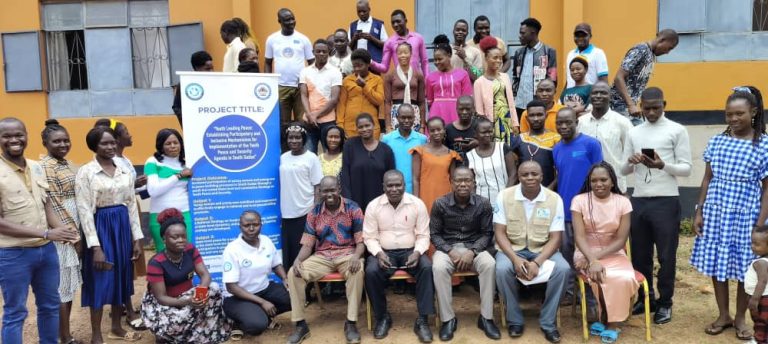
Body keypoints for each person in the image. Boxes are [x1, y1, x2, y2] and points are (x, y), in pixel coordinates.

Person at [690, 86, 768, 341]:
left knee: (747, 267)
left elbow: (767, 189)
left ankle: (740, 317)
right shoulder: (717, 141)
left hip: (746, 214)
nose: (733, 119)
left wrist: (760, 224)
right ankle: (723, 314)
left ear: (753, 112)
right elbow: (706, 179)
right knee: (717, 262)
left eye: (739, 114)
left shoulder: (764, 145)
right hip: (716, 211)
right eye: (729, 114)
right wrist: (699, 211)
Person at [0, 117, 79, 344]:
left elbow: (46, 206)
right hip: (13, 254)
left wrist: (62, 230)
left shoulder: (36, 167)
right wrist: (45, 234)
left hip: (46, 252)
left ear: (26, 136)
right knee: (15, 313)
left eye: (19, 135)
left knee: (50, 306)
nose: (14, 140)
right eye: (7, 136)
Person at [621, 87, 692, 325]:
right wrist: (631, 161)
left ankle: (665, 303)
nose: (651, 112)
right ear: (640, 106)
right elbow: (622, 169)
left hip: (666, 200)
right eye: (646, 107)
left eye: (656, 107)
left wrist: (663, 165)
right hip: (639, 199)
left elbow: (687, 168)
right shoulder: (634, 132)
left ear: (664, 105)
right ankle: (645, 298)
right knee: (640, 256)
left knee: (666, 256)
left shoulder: (676, 130)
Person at [76, 126, 145, 343]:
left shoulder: (124, 169)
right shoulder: (86, 172)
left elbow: (131, 205)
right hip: (101, 227)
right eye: (104, 143)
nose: (110, 147)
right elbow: (85, 210)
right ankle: (96, 334)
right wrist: (95, 247)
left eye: (112, 143)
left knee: (121, 277)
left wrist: (137, 238)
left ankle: (116, 327)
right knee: (99, 279)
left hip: (123, 226)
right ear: (94, 146)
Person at [494, 160, 569, 343]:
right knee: (502, 269)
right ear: (518, 177)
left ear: (542, 176)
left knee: (563, 269)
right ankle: (515, 319)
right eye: (524, 175)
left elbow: (556, 238)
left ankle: (548, 322)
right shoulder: (504, 196)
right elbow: (499, 233)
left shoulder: (554, 199)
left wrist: (537, 262)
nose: (530, 178)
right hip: (513, 249)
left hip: (542, 250)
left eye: (534, 174)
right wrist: (515, 259)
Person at [286, 176, 365, 344]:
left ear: (339, 189)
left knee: (357, 270)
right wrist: (297, 260)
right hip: (322, 257)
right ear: (319, 192)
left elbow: (360, 241)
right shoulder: (314, 212)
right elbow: (308, 244)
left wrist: (357, 257)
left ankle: (351, 323)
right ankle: (300, 325)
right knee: (294, 273)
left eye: (332, 190)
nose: (329, 194)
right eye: (325, 191)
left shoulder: (353, 208)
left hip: (347, 254)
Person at [363, 170, 435, 342]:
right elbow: (369, 237)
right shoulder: (373, 206)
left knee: (426, 268)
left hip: (411, 251)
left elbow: (424, 235)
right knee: (371, 272)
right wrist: (379, 253)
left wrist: (418, 252)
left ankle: (422, 320)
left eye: (398, 185)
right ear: (383, 187)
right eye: (390, 185)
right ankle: (382, 317)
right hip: (383, 252)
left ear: (404, 185)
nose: (394, 189)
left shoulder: (417, 204)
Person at [141, 208, 231, 343]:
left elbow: (205, 275)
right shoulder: (156, 262)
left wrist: (199, 294)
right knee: (176, 322)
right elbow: (161, 298)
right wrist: (189, 301)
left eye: (183, 236)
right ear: (164, 239)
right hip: (166, 304)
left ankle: (199, 332)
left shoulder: (190, 250)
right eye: (174, 237)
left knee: (214, 289)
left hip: (188, 296)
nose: (180, 240)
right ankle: (166, 335)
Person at [430, 166, 500, 341]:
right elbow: (434, 234)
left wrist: (473, 251)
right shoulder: (440, 203)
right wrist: (450, 251)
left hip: (474, 247)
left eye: (467, 180)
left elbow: (487, 234)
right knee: (438, 267)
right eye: (458, 180)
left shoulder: (483, 204)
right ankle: (448, 319)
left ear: (474, 183)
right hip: (448, 248)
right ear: (451, 183)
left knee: (489, 264)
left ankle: (486, 318)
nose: (463, 184)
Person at [571, 162, 639, 343]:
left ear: (612, 181)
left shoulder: (623, 202)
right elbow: (579, 237)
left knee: (623, 277)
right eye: (594, 180)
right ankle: (604, 318)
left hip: (613, 251)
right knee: (600, 274)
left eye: (603, 180)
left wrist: (596, 259)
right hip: (585, 251)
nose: (598, 184)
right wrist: (591, 259)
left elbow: (620, 240)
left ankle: (612, 323)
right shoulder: (579, 201)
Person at [39, 120, 82, 344]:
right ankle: (64, 337)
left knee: (69, 285)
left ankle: (64, 334)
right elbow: (54, 204)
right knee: (63, 286)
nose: (63, 144)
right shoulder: (45, 166)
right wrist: (72, 236)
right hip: (63, 232)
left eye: (66, 140)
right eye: (57, 141)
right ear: (45, 143)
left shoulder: (64, 163)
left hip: (72, 225)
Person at [223, 210, 291, 338]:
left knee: (294, 298)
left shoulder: (266, 241)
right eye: (246, 225)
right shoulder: (232, 250)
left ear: (261, 224)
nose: (251, 228)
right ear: (240, 226)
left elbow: (276, 264)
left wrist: (285, 278)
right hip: (238, 297)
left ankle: (258, 312)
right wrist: (262, 302)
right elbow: (231, 287)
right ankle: (239, 321)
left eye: (255, 224)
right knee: (257, 325)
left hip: (264, 289)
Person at [552, 107, 603, 269]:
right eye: (559, 123)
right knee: (566, 250)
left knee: (588, 252)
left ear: (576, 122)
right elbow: (561, 175)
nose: (563, 126)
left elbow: (600, 175)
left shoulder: (591, 144)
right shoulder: (557, 148)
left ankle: (589, 292)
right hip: (566, 209)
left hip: (589, 209)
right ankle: (570, 292)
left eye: (568, 122)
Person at [265, 8, 315, 151]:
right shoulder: (272, 39)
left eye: (292, 18)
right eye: (287, 20)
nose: (291, 22)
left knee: (302, 122)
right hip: (280, 87)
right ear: (279, 21)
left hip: (300, 87)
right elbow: (268, 62)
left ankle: (303, 152)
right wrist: (270, 83)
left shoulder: (303, 39)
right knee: (283, 123)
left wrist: (309, 84)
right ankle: (285, 153)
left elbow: (311, 62)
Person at [610, 29, 678, 125]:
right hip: (619, 106)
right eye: (669, 48)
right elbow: (618, 78)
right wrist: (631, 105)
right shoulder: (640, 50)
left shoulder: (651, 55)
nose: (667, 52)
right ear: (662, 40)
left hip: (630, 107)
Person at [280, 123, 323, 271]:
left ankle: (308, 289)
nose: (294, 141)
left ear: (303, 139)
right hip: (287, 212)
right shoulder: (283, 158)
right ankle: (291, 287)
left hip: (305, 211)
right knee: (289, 250)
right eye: (290, 138)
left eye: (297, 137)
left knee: (304, 251)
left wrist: (315, 211)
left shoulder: (311, 158)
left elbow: (318, 186)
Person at [578, 81, 633, 193]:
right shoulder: (580, 122)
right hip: (586, 186)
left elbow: (632, 151)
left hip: (615, 186)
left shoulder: (622, 123)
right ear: (590, 96)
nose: (598, 96)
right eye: (595, 93)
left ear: (610, 96)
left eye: (603, 93)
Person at [145, 128, 193, 251]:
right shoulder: (153, 162)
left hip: (185, 214)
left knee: (187, 252)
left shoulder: (187, 163)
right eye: (168, 143)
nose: (172, 146)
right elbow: (153, 190)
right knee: (164, 255)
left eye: (175, 143)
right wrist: (179, 176)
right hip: (159, 216)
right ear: (161, 146)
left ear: (181, 144)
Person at [340, 113, 395, 212]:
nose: (364, 129)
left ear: (374, 125)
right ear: (356, 129)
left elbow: (391, 177)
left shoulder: (386, 150)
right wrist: (347, 201)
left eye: (367, 125)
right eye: (360, 127)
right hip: (355, 203)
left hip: (380, 204)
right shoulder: (350, 146)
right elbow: (345, 174)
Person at [473, 35, 519, 144]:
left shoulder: (505, 77)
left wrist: (515, 123)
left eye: (500, 58)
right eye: (495, 58)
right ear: (486, 58)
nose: (498, 61)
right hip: (490, 126)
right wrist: (486, 130)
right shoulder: (479, 82)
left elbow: (511, 103)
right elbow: (479, 112)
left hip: (507, 122)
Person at [299, 39, 342, 154]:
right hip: (308, 121)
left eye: (324, 51)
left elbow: (334, 99)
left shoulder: (335, 72)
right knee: (309, 154)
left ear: (329, 53)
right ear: (313, 52)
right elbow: (303, 95)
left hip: (328, 121)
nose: (321, 54)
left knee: (330, 155)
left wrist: (316, 115)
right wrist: (309, 115)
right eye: (318, 51)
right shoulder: (305, 71)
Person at [411, 117, 461, 213]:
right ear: (428, 132)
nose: (436, 133)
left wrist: (455, 201)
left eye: (439, 129)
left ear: (444, 130)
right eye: (432, 130)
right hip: (425, 195)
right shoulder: (419, 151)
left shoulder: (451, 154)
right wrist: (416, 201)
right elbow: (415, 179)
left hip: (446, 196)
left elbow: (453, 180)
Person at [512, 17, 558, 119]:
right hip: (519, 105)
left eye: (523, 33)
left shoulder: (548, 51)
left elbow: (553, 79)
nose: (520, 36)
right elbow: (515, 77)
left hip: (538, 106)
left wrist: (545, 99)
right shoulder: (518, 53)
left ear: (533, 33)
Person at [464, 117, 517, 203]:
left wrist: (505, 196)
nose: (488, 135)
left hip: (505, 200)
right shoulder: (470, 156)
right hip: (481, 202)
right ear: (475, 134)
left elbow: (513, 174)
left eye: (490, 131)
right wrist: (474, 201)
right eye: (484, 132)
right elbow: (471, 182)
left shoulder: (503, 147)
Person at [509, 99, 561, 187]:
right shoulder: (518, 139)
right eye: (532, 115)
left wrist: (550, 189)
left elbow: (561, 170)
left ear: (546, 115)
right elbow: (512, 170)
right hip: (523, 191)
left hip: (548, 191)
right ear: (526, 117)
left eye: (539, 115)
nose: (536, 119)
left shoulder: (557, 139)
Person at [426, 35, 473, 125]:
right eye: (435, 60)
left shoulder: (463, 74)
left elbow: (467, 99)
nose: (437, 62)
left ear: (449, 55)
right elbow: (430, 102)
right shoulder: (430, 77)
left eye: (440, 59)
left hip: (457, 113)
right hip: (436, 114)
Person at [336, 49, 384, 137]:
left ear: (368, 64)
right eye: (354, 66)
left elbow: (379, 101)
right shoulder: (347, 81)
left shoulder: (377, 80)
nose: (357, 69)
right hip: (350, 127)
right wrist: (340, 126)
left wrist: (365, 86)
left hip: (370, 128)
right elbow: (341, 105)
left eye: (360, 65)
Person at [382, 104, 427, 194]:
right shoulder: (387, 139)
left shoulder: (422, 139)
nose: (406, 121)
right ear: (397, 118)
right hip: (393, 191)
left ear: (414, 118)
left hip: (415, 190)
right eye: (403, 117)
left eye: (409, 117)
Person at [370, 9, 429, 77]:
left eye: (398, 21)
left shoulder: (418, 38)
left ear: (405, 21)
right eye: (393, 22)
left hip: (416, 81)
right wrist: (371, 62)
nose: (395, 25)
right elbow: (384, 68)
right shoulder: (389, 42)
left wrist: (427, 80)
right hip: (400, 82)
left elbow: (424, 62)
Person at [383, 42, 426, 132]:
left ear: (411, 54)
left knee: (415, 144)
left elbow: (422, 102)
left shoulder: (418, 75)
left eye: (405, 52)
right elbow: (387, 102)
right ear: (396, 55)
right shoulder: (390, 75)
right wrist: (388, 125)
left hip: (414, 113)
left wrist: (422, 126)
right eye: (400, 53)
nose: (403, 55)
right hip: (396, 113)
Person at [172, 50, 213, 126]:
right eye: (207, 69)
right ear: (196, 68)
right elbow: (177, 107)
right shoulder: (185, 84)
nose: (211, 72)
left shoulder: (216, 83)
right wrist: (190, 120)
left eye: (212, 68)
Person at [565, 23, 609, 87]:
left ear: (590, 36)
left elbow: (603, 80)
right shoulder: (570, 54)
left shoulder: (598, 53)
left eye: (583, 35)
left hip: (589, 95)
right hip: (571, 95)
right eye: (577, 35)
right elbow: (569, 79)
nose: (580, 38)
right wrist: (563, 95)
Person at [747, 226, 768, 344]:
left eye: (756, 244)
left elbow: (762, 281)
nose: (752, 246)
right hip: (763, 297)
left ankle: (759, 340)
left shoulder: (761, 263)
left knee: (760, 321)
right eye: (752, 242)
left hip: (761, 298)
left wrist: (754, 299)